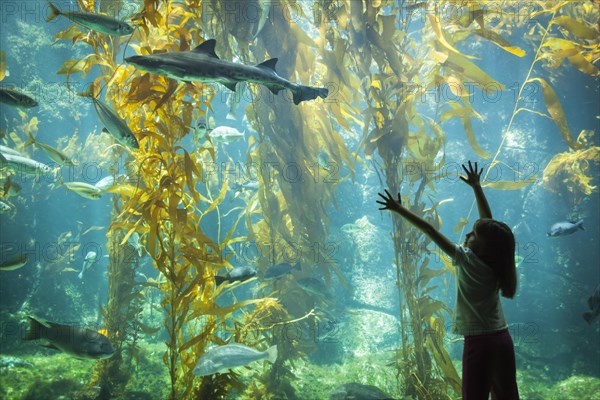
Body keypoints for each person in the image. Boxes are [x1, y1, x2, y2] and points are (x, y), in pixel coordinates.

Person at [376, 161, 519, 400]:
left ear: (483, 246)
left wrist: (399, 210)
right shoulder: (497, 262)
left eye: (472, 234)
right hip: (502, 339)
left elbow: (431, 232)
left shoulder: (466, 258)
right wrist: (477, 187)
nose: (467, 234)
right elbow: (489, 224)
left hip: (479, 342)